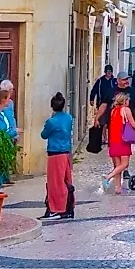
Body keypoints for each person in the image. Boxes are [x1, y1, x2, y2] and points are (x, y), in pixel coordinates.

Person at [40, 92, 77, 221]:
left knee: (55, 183)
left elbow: (44, 135)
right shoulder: (68, 118)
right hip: (66, 152)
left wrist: (51, 119)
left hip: (55, 153)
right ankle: (68, 207)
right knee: (66, 180)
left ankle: (57, 208)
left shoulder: (51, 122)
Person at [105, 92, 135, 191]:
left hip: (113, 140)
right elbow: (132, 123)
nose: (128, 102)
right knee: (124, 164)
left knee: (118, 166)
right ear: (124, 101)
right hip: (122, 140)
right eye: (127, 100)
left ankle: (118, 188)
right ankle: (108, 177)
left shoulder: (113, 111)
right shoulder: (126, 110)